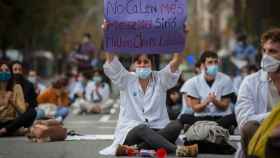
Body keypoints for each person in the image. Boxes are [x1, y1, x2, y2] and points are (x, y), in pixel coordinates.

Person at [100, 20, 198, 157]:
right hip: (132, 132)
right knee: (142, 128)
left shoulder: (160, 79)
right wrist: (107, 32)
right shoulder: (126, 79)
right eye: (138, 62)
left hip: (158, 130)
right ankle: (178, 150)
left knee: (175, 125)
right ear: (134, 64)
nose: (142, 65)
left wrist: (183, 35)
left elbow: (176, 61)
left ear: (151, 64)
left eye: (146, 62)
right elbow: (111, 60)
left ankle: (134, 149)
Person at [235, 28, 280, 158]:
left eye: (272, 51)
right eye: (264, 50)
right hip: (261, 139)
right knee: (250, 128)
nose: (266, 56)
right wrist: (274, 120)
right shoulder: (250, 82)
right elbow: (244, 122)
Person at [179, 51, 237, 133]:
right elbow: (195, 108)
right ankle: (216, 128)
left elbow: (225, 106)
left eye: (216, 62)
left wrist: (214, 101)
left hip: (221, 117)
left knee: (234, 117)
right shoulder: (193, 82)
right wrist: (206, 102)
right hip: (202, 118)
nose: (214, 65)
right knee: (184, 117)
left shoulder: (226, 79)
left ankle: (205, 128)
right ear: (202, 65)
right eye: (210, 62)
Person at [0, 61, 36, 136]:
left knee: (32, 112)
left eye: (6, 70)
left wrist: (12, 102)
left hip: (12, 121)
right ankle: (14, 131)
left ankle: (5, 130)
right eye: (1, 70)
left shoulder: (17, 87)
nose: (4, 73)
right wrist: (4, 107)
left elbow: (22, 111)